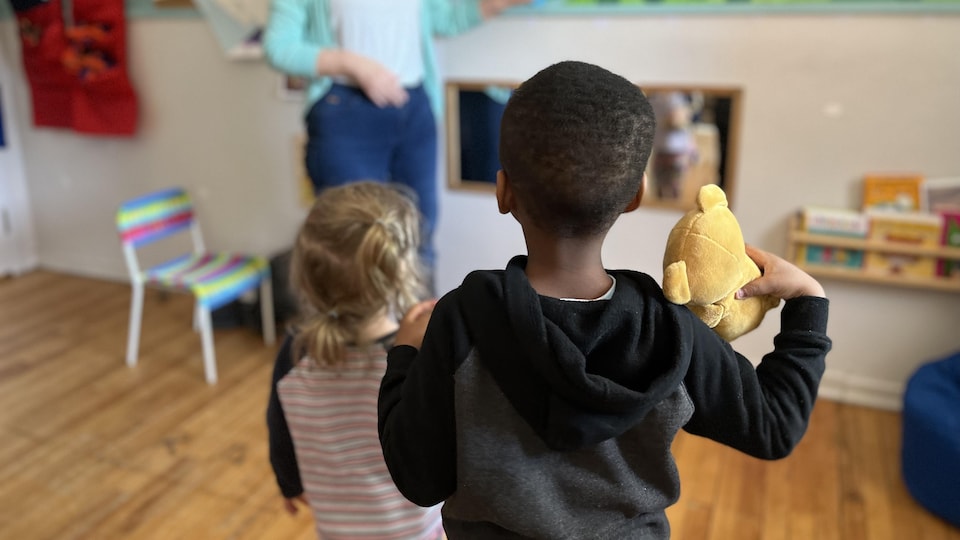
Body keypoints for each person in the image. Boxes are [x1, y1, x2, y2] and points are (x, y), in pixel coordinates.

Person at [377, 61, 832, 539]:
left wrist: (404, 357)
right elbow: (775, 426)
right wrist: (808, 302)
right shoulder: (673, 333)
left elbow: (418, 479)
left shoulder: (463, 318)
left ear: (504, 191)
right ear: (635, 196)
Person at [261, 0, 530, 274]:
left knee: (419, 243)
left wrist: (498, 4)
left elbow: (444, 19)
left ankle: (425, 318)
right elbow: (278, 47)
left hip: (414, 109)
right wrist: (351, 64)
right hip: (344, 114)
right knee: (353, 250)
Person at [266, 182, 439, 539]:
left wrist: (289, 483)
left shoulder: (296, 352)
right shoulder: (417, 357)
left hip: (338, 527)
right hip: (414, 530)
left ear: (306, 278)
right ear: (401, 273)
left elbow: (279, 429)